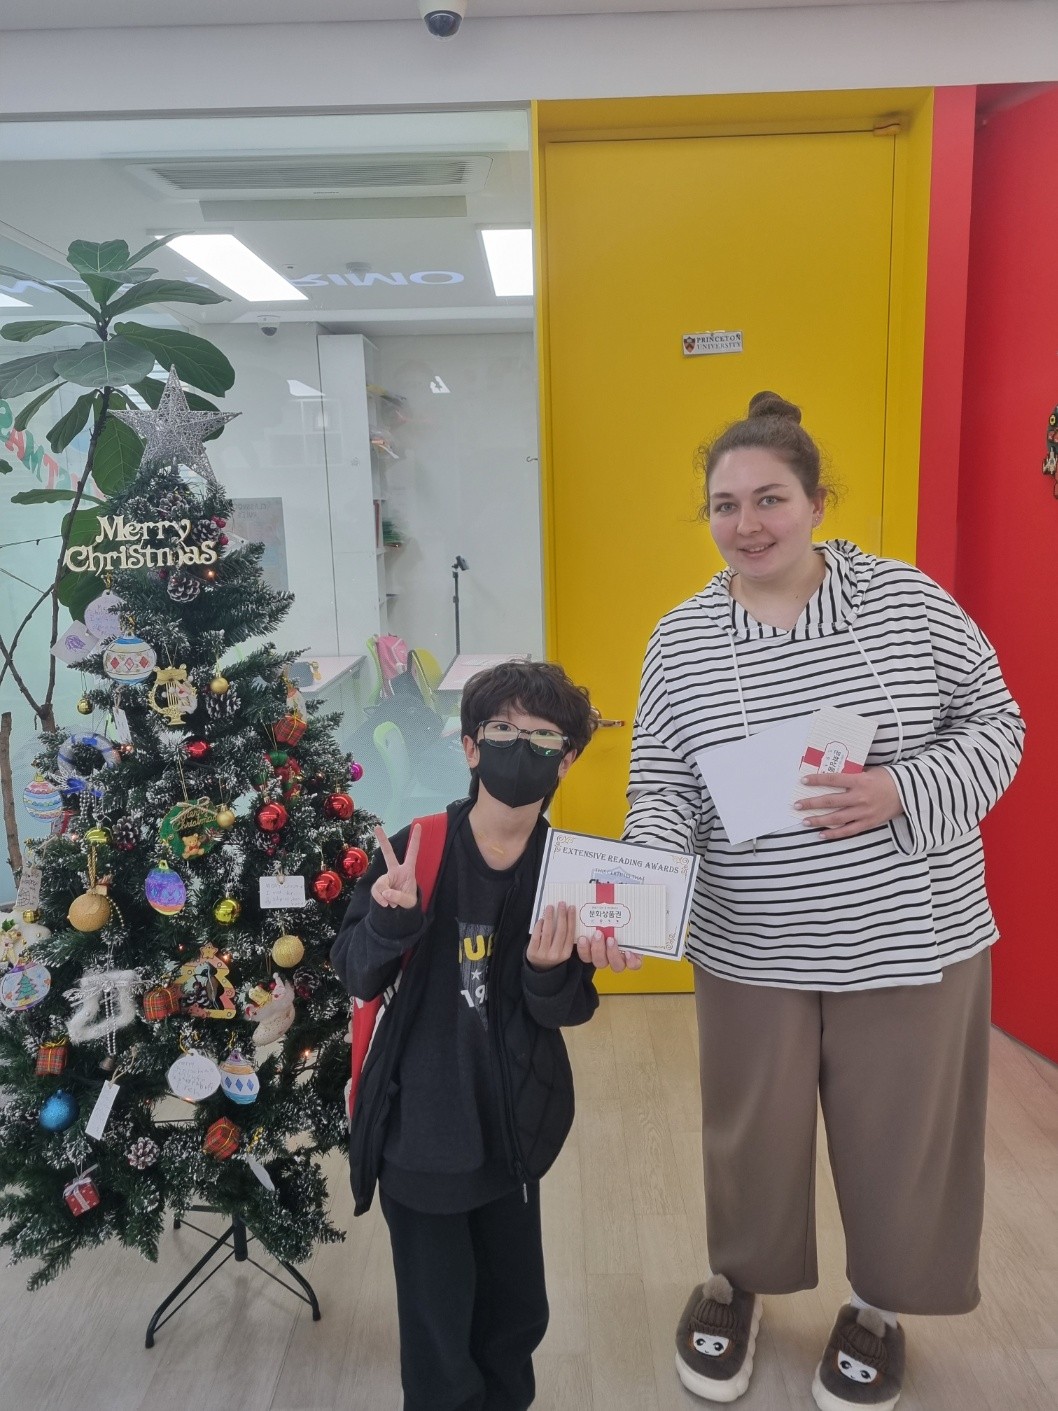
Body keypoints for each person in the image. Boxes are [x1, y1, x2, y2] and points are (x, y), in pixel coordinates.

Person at [622, 392, 1025, 1410]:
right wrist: (642, 882)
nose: (746, 524)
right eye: (725, 504)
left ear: (815, 503)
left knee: (902, 1137)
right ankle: (736, 1283)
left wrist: (901, 787)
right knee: (748, 1133)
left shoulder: (906, 602)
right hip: (750, 943)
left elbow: (997, 723)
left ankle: (877, 1306)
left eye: (770, 498)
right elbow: (661, 790)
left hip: (910, 934)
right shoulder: (680, 641)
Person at [331, 659, 640, 1411]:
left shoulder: (569, 873)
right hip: (419, 1137)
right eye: (501, 729)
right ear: (470, 746)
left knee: (515, 1318)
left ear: (567, 759)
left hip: (511, 1136)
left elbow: (566, 1011)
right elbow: (355, 973)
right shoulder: (418, 850)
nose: (519, 746)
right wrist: (391, 920)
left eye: (542, 737)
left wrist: (547, 970)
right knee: (440, 1338)